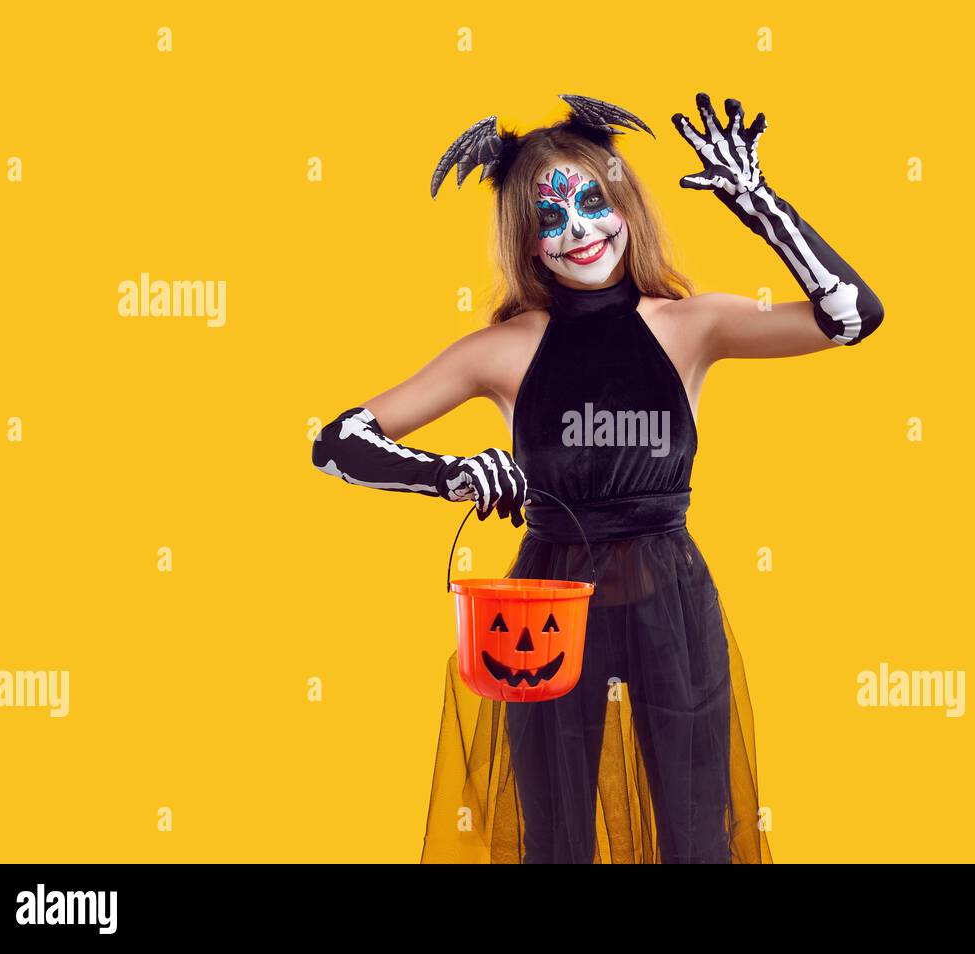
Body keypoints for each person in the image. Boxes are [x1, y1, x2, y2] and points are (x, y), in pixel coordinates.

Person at [311, 92, 884, 863]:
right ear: (528, 242)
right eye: (551, 219)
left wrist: (758, 202)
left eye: (592, 202)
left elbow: (850, 315)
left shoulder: (692, 326)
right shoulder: (504, 350)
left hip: (672, 610)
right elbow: (339, 442)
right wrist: (452, 475)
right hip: (542, 618)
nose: (578, 229)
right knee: (554, 839)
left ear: (625, 206)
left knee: (693, 829)